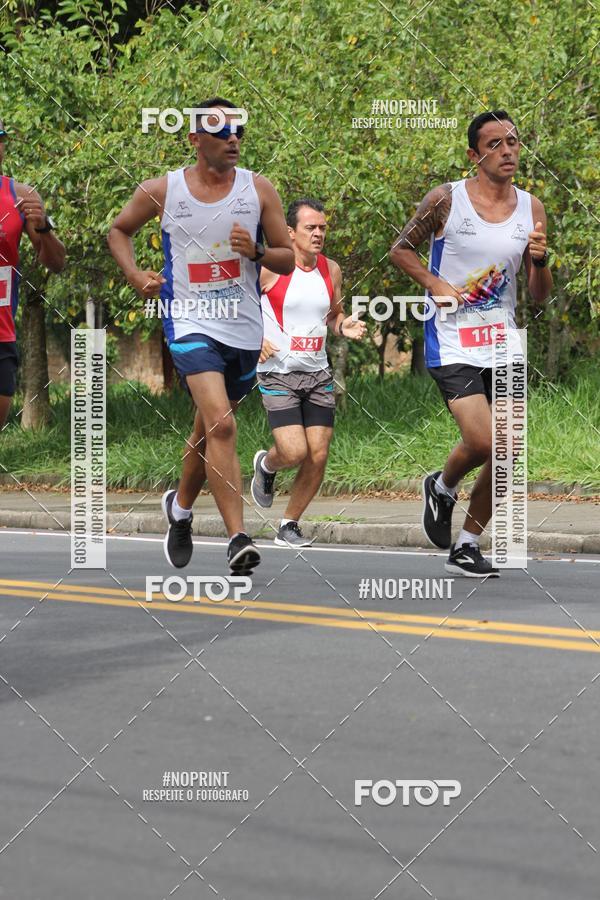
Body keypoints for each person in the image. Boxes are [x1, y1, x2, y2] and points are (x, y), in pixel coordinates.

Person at [108, 99, 294, 574]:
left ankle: (181, 508)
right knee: (223, 426)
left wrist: (254, 249)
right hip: (188, 320)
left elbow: (287, 259)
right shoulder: (163, 190)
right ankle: (237, 538)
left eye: (238, 130)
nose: (233, 138)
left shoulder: (259, 190)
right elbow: (119, 231)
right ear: (194, 139)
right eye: (221, 130)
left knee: (207, 429)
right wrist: (133, 274)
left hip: (243, 327)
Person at [390, 110, 552, 577]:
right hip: (453, 338)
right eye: (495, 143)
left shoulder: (531, 208)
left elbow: (539, 294)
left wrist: (540, 262)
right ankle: (442, 486)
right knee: (482, 440)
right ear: (473, 154)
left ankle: (467, 544)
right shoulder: (445, 200)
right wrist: (434, 281)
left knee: (508, 449)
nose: (507, 151)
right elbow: (401, 248)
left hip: (503, 340)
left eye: (513, 142)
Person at [250, 198, 366, 546]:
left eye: (323, 228)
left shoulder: (331, 270)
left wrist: (342, 325)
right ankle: (267, 466)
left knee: (318, 453)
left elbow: (333, 313)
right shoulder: (270, 267)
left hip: (317, 374)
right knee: (294, 451)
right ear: (290, 232)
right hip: (277, 372)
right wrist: (256, 338)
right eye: (310, 228)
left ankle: (289, 525)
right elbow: (237, 306)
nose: (318, 234)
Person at [0, 118, 65, 428]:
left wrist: (43, 226)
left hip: (2, 332)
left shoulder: (20, 195)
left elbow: (56, 262)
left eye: (0, 137)